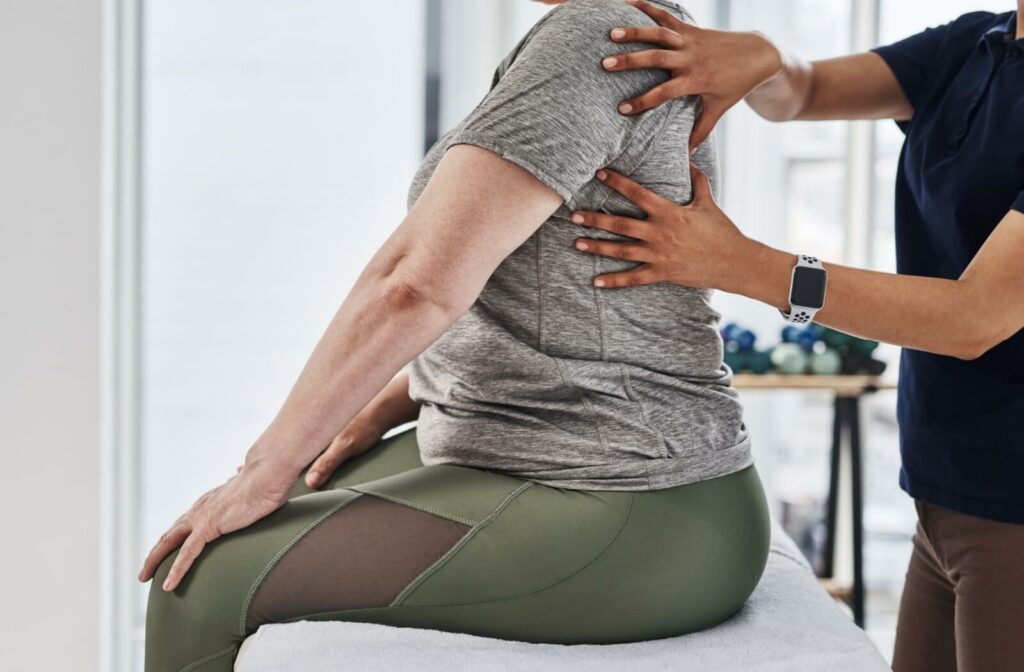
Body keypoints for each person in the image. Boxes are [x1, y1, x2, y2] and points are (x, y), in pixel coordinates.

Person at [138, 2, 770, 670]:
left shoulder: (596, 38)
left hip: (631, 500)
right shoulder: (617, 29)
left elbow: (417, 285)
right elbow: (554, 284)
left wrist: (261, 470)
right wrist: (396, 396)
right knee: (288, 496)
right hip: (553, 450)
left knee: (201, 581)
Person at [571, 2, 1024, 670]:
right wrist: (763, 59)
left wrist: (743, 265)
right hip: (941, 492)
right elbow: (803, 91)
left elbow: (975, 318)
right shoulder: (974, 42)